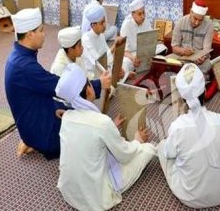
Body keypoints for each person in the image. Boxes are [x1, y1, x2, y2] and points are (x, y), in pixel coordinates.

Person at [4, 8, 108, 159]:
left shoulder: (19, 57)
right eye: (41, 30)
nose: (45, 34)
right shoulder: (24, 67)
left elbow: (43, 91)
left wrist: (56, 109)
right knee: (89, 130)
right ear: (30, 34)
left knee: (69, 108)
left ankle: (30, 138)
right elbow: (62, 86)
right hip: (41, 130)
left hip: (38, 113)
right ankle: (34, 141)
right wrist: (99, 84)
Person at [56, 63, 156, 211]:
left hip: (70, 192)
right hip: (95, 199)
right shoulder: (101, 123)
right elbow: (125, 155)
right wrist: (137, 141)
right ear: (89, 90)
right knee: (148, 149)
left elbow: (88, 136)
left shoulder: (67, 117)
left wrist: (111, 127)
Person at [158, 63, 220, 208]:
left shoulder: (177, 127)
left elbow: (169, 154)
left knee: (163, 147)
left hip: (191, 198)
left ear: (183, 99)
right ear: (205, 91)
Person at [120, 0, 167, 82]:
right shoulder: (126, 25)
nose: (143, 16)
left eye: (144, 13)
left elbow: (151, 40)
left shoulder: (145, 21)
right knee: (125, 63)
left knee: (162, 47)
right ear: (133, 14)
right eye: (140, 14)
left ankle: (151, 64)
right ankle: (129, 75)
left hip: (145, 51)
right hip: (132, 55)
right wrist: (133, 58)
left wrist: (150, 52)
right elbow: (124, 51)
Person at [81, 3, 124, 80]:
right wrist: (115, 72)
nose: (104, 25)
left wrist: (115, 46)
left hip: (103, 67)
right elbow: (98, 63)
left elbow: (107, 54)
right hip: (93, 74)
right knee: (116, 75)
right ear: (93, 25)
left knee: (122, 68)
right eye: (101, 23)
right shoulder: (86, 40)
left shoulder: (100, 35)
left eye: (104, 21)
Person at [171, 0, 214, 73]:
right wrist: (183, 51)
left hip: (200, 60)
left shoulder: (209, 25)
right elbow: (174, 47)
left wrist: (202, 57)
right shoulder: (181, 22)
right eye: (195, 18)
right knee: (172, 65)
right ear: (191, 12)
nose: (197, 23)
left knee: (207, 65)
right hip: (183, 57)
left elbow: (206, 49)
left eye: (200, 20)